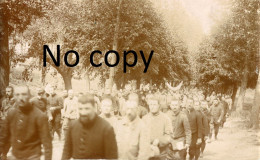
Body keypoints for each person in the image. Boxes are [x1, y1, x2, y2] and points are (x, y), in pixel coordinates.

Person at [0, 85, 52, 160]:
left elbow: (47, 145)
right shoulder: (11, 113)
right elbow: (3, 137)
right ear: (14, 96)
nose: (20, 98)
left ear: (29, 96)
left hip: (33, 156)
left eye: (24, 94)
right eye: (17, 95)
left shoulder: (40, 116)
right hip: (15, 155)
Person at [61, 94, 118, 160]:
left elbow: (112, 157)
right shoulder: (72, 126)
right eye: (80, 109)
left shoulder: (106, 128)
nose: (83, 112)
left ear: (94, 108)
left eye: (87, 108)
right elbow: (66, 152)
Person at [0, 86, 16, 160]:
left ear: (12, 92)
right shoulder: (3, 101)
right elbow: (1, 110)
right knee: (2, 138)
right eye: (6, 91)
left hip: (12, 123)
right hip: (3, 122)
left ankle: (4, 153)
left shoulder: (16, 101)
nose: (7, 93)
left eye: (9, 91)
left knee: (9, 139)